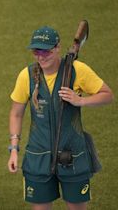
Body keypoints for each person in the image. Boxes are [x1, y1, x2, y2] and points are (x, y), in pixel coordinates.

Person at [7, 26, 114, 210]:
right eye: (36, 51)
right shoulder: (27, 75)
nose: (41, 56)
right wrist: (14, 149)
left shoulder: (78, 70)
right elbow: (16, 113)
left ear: (57, 48)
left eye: (46, 51)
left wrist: (80, 100)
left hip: (73, 155)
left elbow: (108, 95)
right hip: (38, 156)